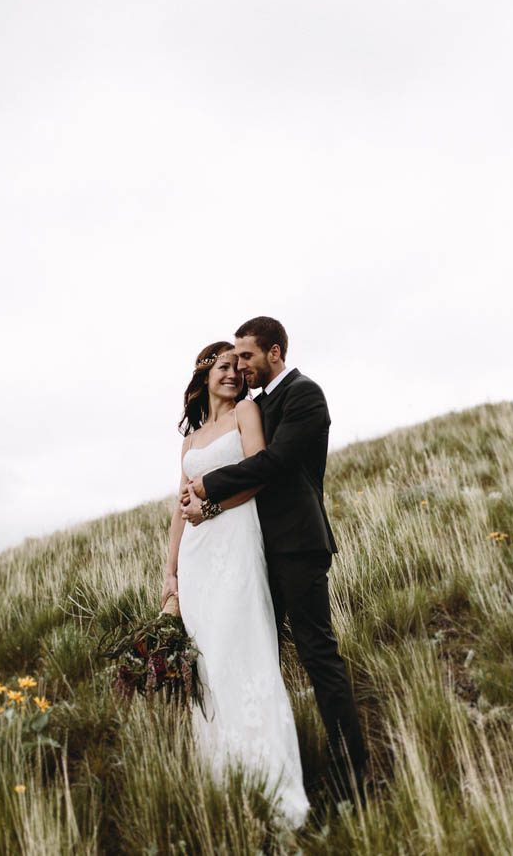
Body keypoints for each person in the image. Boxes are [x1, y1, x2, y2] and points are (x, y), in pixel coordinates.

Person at [183, 316, 367, 801]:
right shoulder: (257, 404)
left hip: (297, 546)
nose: (241, 365)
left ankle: (352, 779)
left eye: (246, 356)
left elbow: (276, 462)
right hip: (255, 551)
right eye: (234, 359)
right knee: (256, 658)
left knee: (318, 656)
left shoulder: (304, 395)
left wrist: (210, 486)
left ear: (275, 353)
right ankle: (263, 764)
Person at [162, 340, 310, 828]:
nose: (232, 374)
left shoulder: (248, 413)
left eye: (236, 367)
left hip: (235, 538)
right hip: (197, 556)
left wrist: (212, 508)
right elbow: (178, 513)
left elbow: (258, 476)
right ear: (203, 376)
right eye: (222, 367)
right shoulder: (190, 440)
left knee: (242, 651)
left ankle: (275, 786)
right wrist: (170, 577)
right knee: (206, 661)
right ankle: (226, 782)